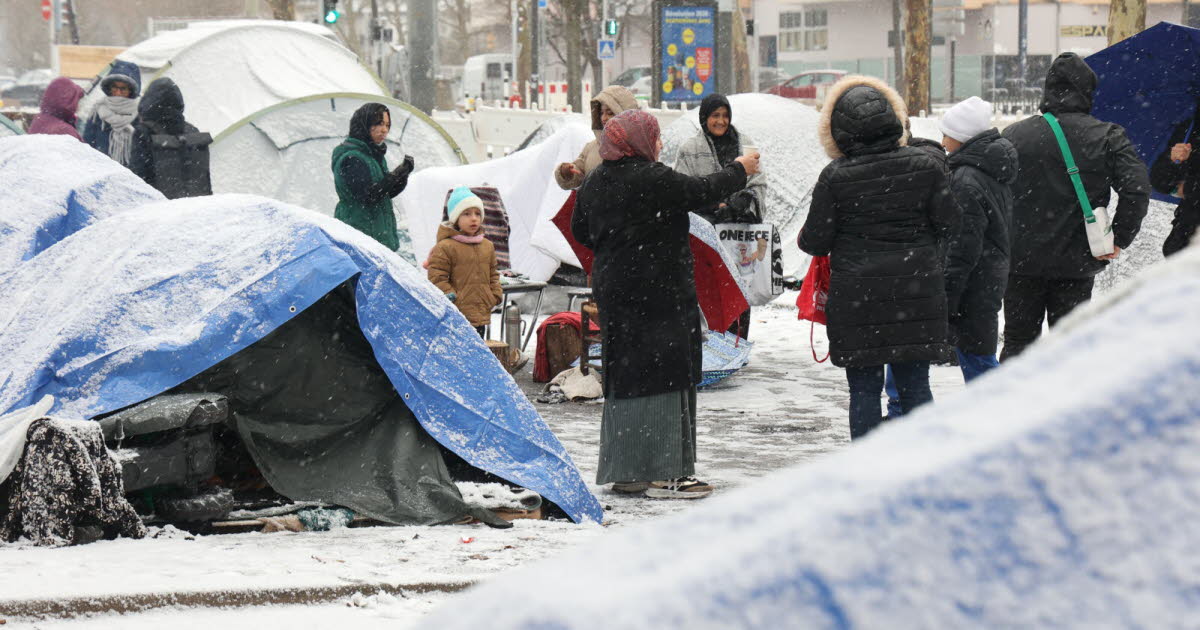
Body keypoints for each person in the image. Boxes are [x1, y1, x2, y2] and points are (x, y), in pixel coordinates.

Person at [572, 110, 758, 498]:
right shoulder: (652, 179)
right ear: (639, 142)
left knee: (625, 373)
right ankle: (669, 472)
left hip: (616, 289)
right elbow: (702, 190)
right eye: (654, 138)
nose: (658, 145)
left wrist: (621, 245)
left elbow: (580, 231)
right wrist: (740, 169)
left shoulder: (596, 180)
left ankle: (626, 470)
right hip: (659, 291)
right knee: (667, 372)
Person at [797, 75, 959, 440]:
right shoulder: (926, 166)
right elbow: (950, 223)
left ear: (839, 130)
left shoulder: (835, 177)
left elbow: (815, 241)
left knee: (864, 391)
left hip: (859, 302)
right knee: (916, 387)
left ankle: (866, 472)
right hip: (917, 295)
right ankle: (920, 465)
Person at [1000, 53, 1150, 361]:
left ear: (1048, 90)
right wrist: (1118, 237)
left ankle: (1017, 406)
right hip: (1077, 260)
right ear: (1087, 92)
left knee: (1018, 343)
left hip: (1020, 259)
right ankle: (1063, 401)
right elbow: (1136, 189)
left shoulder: (1015, 135)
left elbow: (994, 193)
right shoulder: (1108, 136)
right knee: (1069, 349)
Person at [674, 93, 768, 339]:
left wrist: (744, 201)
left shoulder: (745, 145)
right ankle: (712, 341)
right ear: (704, 118)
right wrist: (714, 205)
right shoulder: (690, 149)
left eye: (725, 115)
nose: (721, 121)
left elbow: (759, 184)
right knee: (710, 291)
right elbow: (683, 192)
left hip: (739, 237)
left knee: (738, 288)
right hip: (706, 238)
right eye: (715, 115)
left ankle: (738, 341)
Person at [938, 96, 1019, 381]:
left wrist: (947, 298)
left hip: (972, 286)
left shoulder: (965, 180)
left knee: (980, 365)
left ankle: (1005, 421)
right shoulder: (990, 170)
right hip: (988, 277)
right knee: (979, 357)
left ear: (961, 137)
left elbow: (962, 248)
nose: (944, 142)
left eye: (947, 134)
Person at [331, 102, 415, 250]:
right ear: (365, 124)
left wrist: (403, 175)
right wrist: (396, 175)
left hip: (377, 234)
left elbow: (385, 192)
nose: (384, 130)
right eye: (379, 123)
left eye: (387, 125)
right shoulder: (352, 158)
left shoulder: (373, 155)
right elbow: (368, 196)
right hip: (360, 235)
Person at [427, 186, 502, 336]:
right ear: (456, 218)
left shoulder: (487, 246)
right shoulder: (445, 246)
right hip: (457, 316)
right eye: (466, 214)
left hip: (481, 312)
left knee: (479, 351)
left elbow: (493, 274)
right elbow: (437, 277)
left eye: (477, 213)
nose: (473, 218)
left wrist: (495, 294)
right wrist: (451, 296)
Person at [129, 78, 213, 199]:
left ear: (147, 101)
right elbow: (204, 175)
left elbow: (138, 174)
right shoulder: (193, 131)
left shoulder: (144, 131)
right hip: (195, 203)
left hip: (161, 205)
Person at [555, 85, 638, 190]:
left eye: (610, 113)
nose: (603, 118)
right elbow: (578, 174)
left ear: (625, 115)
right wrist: (567, 173)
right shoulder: (592, 147)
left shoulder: (639, 148)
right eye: (601, 113)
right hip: (593, 205)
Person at [1150, 106, 1200, 257]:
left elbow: (1188, 188)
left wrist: (1188, 188)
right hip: (1185, 238)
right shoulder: (1190, 129)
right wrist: (1171, 160)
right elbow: (1160, 182)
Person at [82, 61, 142, 166]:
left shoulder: (140, 115)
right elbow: (87, 146)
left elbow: (142, 152)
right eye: (114, 87)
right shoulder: (97, 112)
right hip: (100, 171)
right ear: (109, 88)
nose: (118, 93)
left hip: (130, 176)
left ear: (131, 91)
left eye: (123, 89)